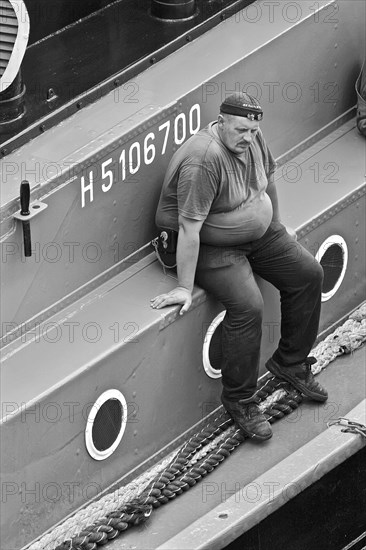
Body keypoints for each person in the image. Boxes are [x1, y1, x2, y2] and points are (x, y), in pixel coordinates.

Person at [150, 92, 328, 442]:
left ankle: (290, 362)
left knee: (309, 274)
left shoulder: (253, 139)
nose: (247, 137)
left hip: (256, 233)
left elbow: (269, 180)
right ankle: (240, 401)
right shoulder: (205, 159)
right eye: (241, 129)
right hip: (210, 246)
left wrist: (278, 224)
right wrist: (185, 287)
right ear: (221, 122)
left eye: (253, 130)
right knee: (248, 305)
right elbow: (188, 229)